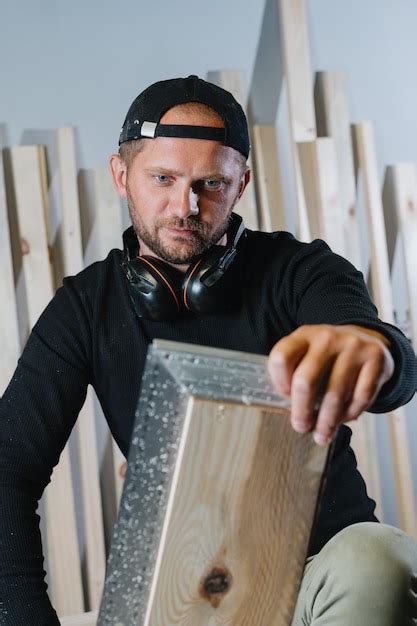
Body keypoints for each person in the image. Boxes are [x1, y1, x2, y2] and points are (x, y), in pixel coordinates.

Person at [0, 75, 416, 625]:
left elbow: (383, 357)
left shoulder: (301, 271)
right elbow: (9, 468)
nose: (185, 205)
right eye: (163, 178)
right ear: (121, 176)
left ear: (241, 185)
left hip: (323, 572)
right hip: (190, 588)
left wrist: (375, 350)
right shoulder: (85, 307)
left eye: (210, 184)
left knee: (380, 561)